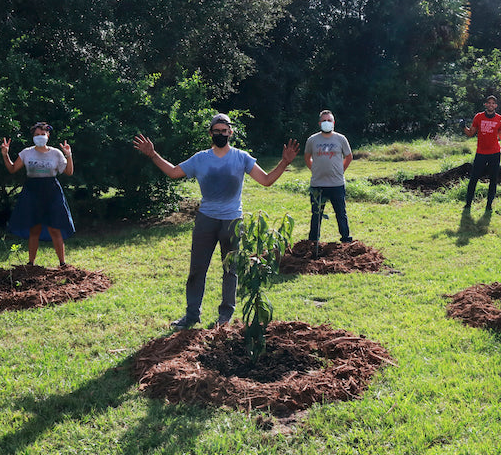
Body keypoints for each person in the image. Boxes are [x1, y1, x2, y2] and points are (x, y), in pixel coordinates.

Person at [133, 113, 299, 329]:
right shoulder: (201, 158)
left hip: (232, 222)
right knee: (196, 270)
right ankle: (192, 315)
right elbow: (174, 172)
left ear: (230, 132)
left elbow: (266, 180)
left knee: (231, 270)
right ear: (210, 133)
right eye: (217, 130)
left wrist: (284, 162)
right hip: (206, 221)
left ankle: (225, 316)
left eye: (225, 130)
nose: (221, 134)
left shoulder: (241, 157)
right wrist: (153, 155)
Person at [1, 122, 75, 266]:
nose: (40, 137)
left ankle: (62, 264)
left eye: (42, 134)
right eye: (37, 135)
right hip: (32, 191)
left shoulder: (56, 153)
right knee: (34, 228)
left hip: (52, 191)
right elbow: (12, 168)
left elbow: (69, 172)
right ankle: (31, 263)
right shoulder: (26, 152)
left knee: (55, 228)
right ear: (33, 137)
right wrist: (5, 155)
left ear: (48, 135)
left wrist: (69, 155)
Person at [304, 110, 354, 243]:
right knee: (316, 215)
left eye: (329, 120)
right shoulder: (312, 140)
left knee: (341, 214)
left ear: (334, 123)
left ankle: (346, 240)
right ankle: (313, 241)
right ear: (320, 123)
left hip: (336, 184)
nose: (327, 123)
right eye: (324, 120)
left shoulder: (341, 139)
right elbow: (307, 157)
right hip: (317, 185)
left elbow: (349, 156)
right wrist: (314, 169)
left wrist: (341, 170)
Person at [462, 95, 501, 211]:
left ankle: (489, 205)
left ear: (495, 106)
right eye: (489, 103)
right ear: (486, 105)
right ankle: (468, 204)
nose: (491, 105)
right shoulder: (479, 117)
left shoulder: (499, 119)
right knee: (474, 178)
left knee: (493, 179)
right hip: (481, 153)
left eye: (493, 103)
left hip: (494, 153)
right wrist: (463, 127)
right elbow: (471, 133)